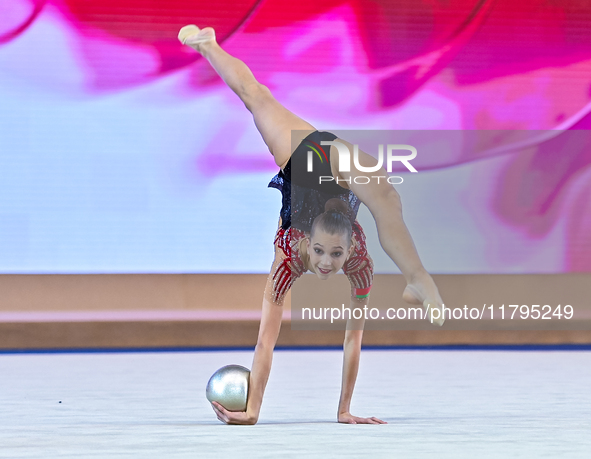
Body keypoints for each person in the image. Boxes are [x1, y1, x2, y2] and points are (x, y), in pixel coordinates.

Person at [178, 25, 445, 425]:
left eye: (336, 254)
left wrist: (344, 410)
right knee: (256, 95)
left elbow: (353, 337)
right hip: (307, 164)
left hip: (325, 168)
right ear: (306, 243)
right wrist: (253, 411)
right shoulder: (287, 260)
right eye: (321, 252)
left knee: (385, 195)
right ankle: (208, 44)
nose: (325, 263)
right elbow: (265, 342)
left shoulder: (358, 263)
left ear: (351, 248)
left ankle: (417, 277)